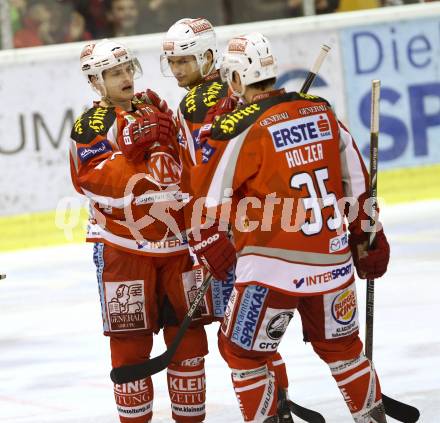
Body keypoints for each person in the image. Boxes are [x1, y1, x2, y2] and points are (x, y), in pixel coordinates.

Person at [190, 32, 391, 422]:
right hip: (332, 264)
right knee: (345, 348)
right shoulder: (321, 109)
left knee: (242, 353)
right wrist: (369, 237)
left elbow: (208, 201)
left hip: (271, 269)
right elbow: (358, 183)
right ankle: (371, 416)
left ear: (234, 81)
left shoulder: (239, 126)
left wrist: (208, 241)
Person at [69, 39, 210, 423]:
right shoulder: (91, 124)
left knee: (191, 341)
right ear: (96, 82)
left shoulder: (154, 107)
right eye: (115, 73)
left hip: (178, 247)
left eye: (128, 68)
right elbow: (89, 179)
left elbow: (190, 164)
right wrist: (129, 152)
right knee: (130, 349)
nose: (126, 77)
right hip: (124, 251)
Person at [161, 19, 294, 422]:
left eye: (185, 60)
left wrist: (202, 231)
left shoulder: (198, 104)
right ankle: (279, 401)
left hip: (226, 230)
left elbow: (207, 172)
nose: (179, 70)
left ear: (206, 57)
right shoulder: (236, 89)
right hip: (262, 223)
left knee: (236, 337)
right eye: (173, 62)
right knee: (255, 333)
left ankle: (272, 410)